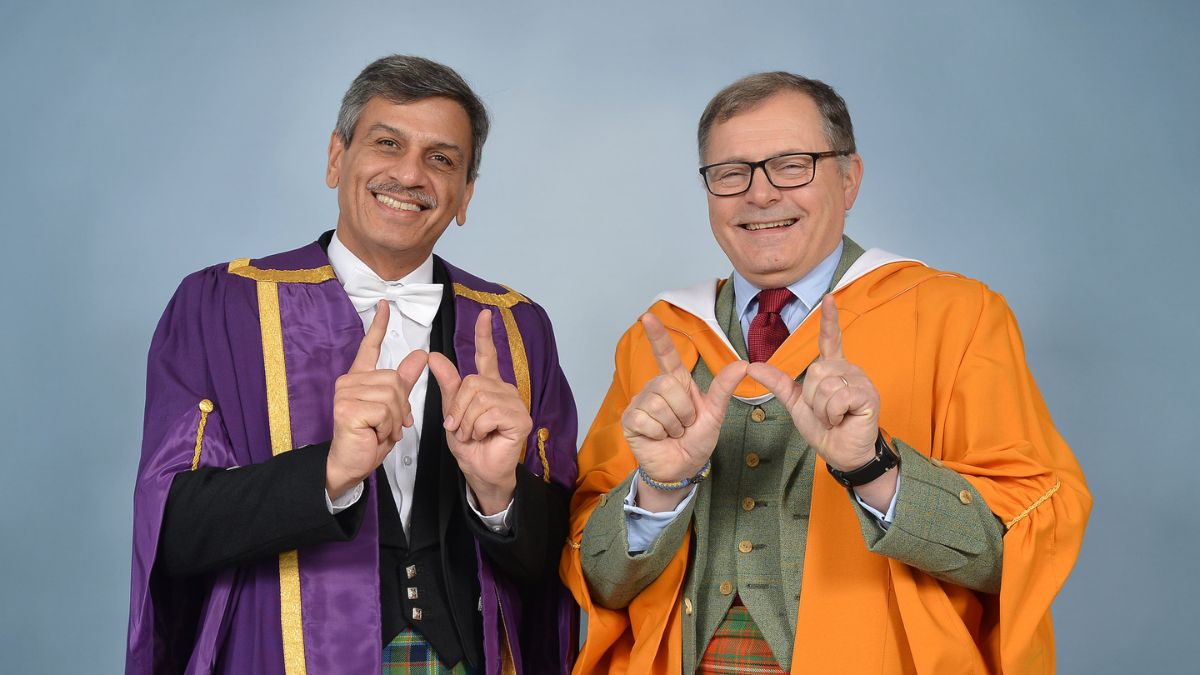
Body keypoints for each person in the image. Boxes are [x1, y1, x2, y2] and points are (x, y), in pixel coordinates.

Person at [562, 72, 1090, 674]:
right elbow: (597, 577)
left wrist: (874, 471)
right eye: (731, 173)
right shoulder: (658, 339)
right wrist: (658, 493)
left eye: (792, 164)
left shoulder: (956, 317)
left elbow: (1014, 553)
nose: (759, 195)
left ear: (849, 179)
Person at [126, 55, 578, 675]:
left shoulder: (516, 325)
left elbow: (559, 558)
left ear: (466, 193)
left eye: (442, 159)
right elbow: (172, 531)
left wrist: (499, 494)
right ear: (337, 157)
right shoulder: (219, 305)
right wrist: (330, 472)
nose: (410, 174)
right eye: (387, 143)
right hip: (275, 656)